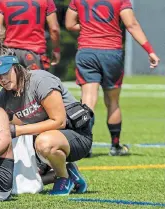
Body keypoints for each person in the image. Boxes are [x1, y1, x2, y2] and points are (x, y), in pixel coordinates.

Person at [0, 48, 91, 195]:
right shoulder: (3, 98)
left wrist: (17, 130)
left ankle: (64, 178)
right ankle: (68, 171)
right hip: (39, 144)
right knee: (21, 183)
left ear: (15, 67)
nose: (2, 79)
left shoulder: (40, 81)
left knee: (44, 143)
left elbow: (59, 121)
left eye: (5, 72)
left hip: (76, 135)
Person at [65, 0, 160, 156]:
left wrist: (91, 27)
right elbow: (131, 25)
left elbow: (69, 24)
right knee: (113, 101)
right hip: (111, 52)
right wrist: (150, 51)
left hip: (87, 51)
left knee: (88, 100)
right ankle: (115, 146)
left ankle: (84, 146)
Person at [0, 0, 61, 71]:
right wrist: (56, 50)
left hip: (9, 52)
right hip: (35, 53)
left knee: (10, 81)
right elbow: (54, 29)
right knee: (37, 81)